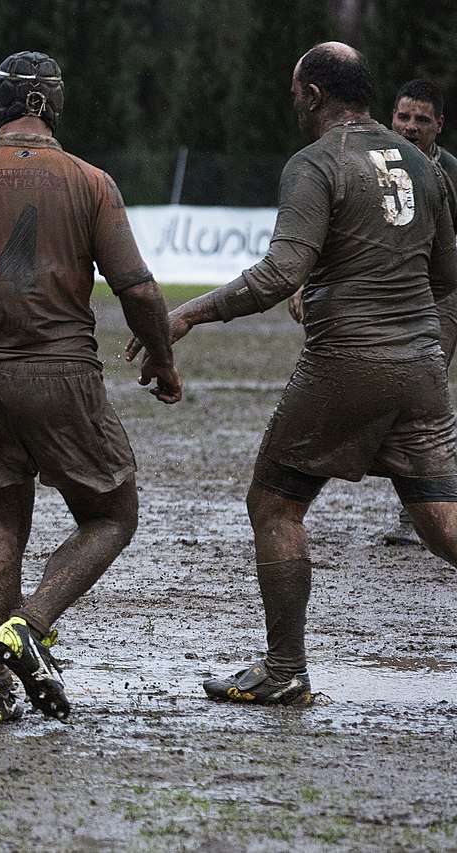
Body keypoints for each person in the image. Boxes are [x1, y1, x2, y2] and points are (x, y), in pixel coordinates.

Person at [141, 43, 457, 706]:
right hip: (424, 364)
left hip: (347, 363)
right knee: (440, 520)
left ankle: (285, 669)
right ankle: (284, 667)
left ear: (313, 94)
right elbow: (446, 274)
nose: (292, 102)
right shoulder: (422, 165)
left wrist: (187, 315)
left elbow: (279, 273)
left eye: (294, 92)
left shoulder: (316, 163)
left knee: (274, 503)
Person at [0, 51, 182, 725]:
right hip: (60, 373)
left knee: (2, 525)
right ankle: (30, 624)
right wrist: (163, 360)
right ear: (53, 106)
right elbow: (139, 291)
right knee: (112, 515)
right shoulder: (90, 182)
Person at [383, 79, 457, 546]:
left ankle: (419, 514)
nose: (410, 127)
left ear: (439, 125)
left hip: (441, 295)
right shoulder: (375, 165)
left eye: (422, 119)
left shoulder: (449, 173)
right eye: (403, 116)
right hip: (390, 294)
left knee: (423, 399)